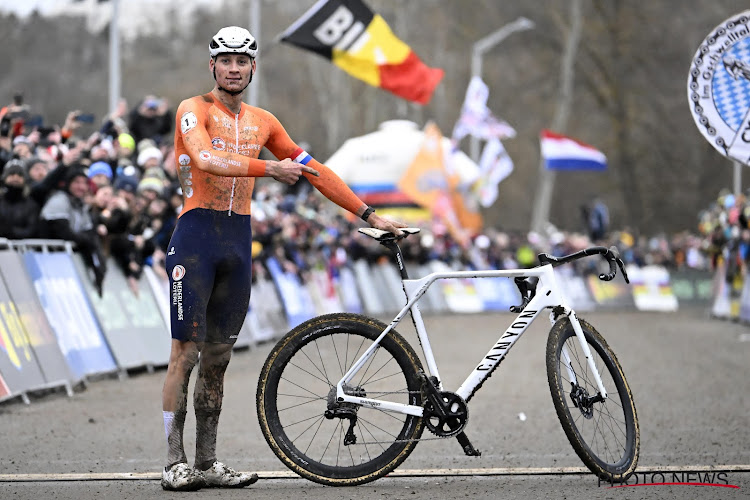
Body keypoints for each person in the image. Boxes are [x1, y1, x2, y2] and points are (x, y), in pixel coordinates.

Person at [160, 26, 405, 491]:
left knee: (219, 357)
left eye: (242, 62)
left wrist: (369, 212)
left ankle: (207, 463)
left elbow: (314, 170)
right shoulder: (193, 110)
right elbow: (206, 158)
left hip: (237, 240)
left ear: (253, 67)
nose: (234, 69)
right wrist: (269, 167)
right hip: (195, 238)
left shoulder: (264, 121)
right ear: (212, 65)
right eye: (226, 61)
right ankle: (175, 461)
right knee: (185, 354)